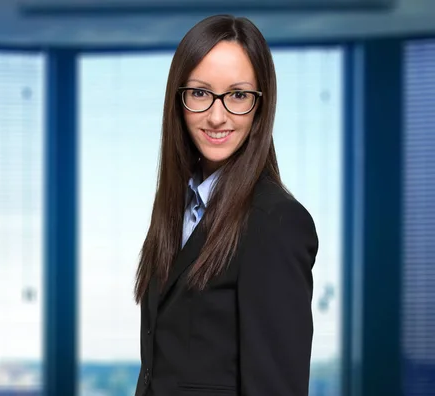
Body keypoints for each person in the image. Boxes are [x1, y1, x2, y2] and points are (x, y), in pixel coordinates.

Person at [133, 14, 319, 396]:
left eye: (237, 95)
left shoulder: (275, 221)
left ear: (260, 107)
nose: (217, 117)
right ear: (179, 100)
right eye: (200, 93)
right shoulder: (177, 208)